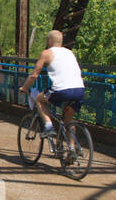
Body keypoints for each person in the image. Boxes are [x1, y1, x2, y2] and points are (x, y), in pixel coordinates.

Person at [19, 30, 85, 159]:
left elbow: (34, 75)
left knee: (39, 99)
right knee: (68, 122)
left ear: (49, 41)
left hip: (61, 90)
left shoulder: (47, 53)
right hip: (79, 89)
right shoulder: (70, 53)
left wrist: (25, 87)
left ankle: (49, 126)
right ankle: (71, 149)